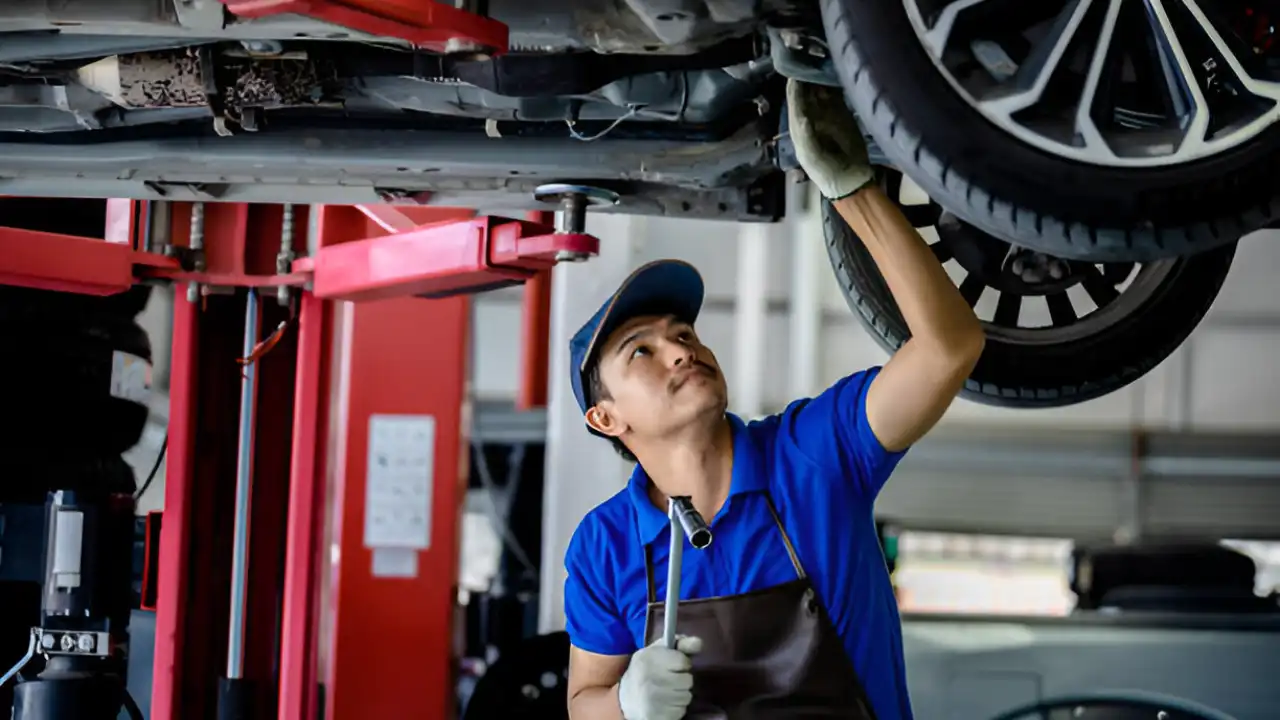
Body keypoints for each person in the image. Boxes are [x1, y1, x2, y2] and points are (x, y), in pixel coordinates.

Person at [561, 78, 986, 720]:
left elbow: (947, 349)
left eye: (684, 334)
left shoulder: (815, 454)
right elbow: (581, 705)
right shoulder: (605, 545)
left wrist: (853, 191)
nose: (679, 349)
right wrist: (624, 702)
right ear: (605, 417)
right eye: (641, 352)